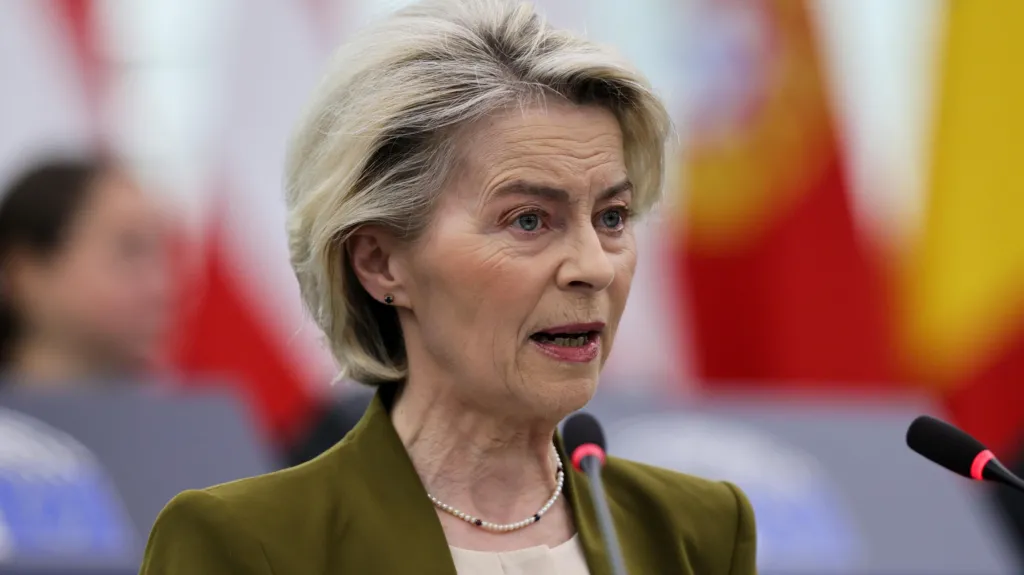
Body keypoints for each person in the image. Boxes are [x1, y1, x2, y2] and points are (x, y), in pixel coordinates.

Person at [140, 1, 757, 573]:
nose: (594, 267)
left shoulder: (697, 530)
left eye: (612, 217)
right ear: (381, 263)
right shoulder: (245, 542)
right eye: (529, 220)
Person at [0, 156, 171, 386]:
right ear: (26, 273)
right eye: (129, 251)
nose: (159, 287)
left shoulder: (197, 406)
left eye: (158, 256)